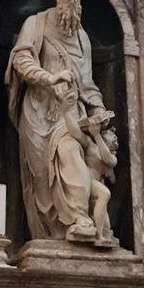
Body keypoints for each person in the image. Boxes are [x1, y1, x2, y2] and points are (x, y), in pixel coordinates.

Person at [5, 0, 111, 242]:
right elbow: (21, 58)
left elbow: (87, 83)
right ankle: (51, 238)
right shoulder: (36, 23)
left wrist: (98, 109)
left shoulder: (82, 38)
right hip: (38, 111)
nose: (72, 2)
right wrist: (49, 78)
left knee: (70, 151)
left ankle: (80, 219)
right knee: (43, 182)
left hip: (69, 111)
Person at [60, 93, 119, 246]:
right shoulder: (90, 145)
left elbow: (107, 159)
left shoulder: (111, 157)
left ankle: (101, 235)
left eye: (116, 139)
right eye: (111, 135)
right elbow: (75, 132)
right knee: (105, 193)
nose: (115, 139)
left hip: (95, 187)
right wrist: (66, 113)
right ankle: (98, 236)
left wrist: (96, 135)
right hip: (87, 184)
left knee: (106, 227)